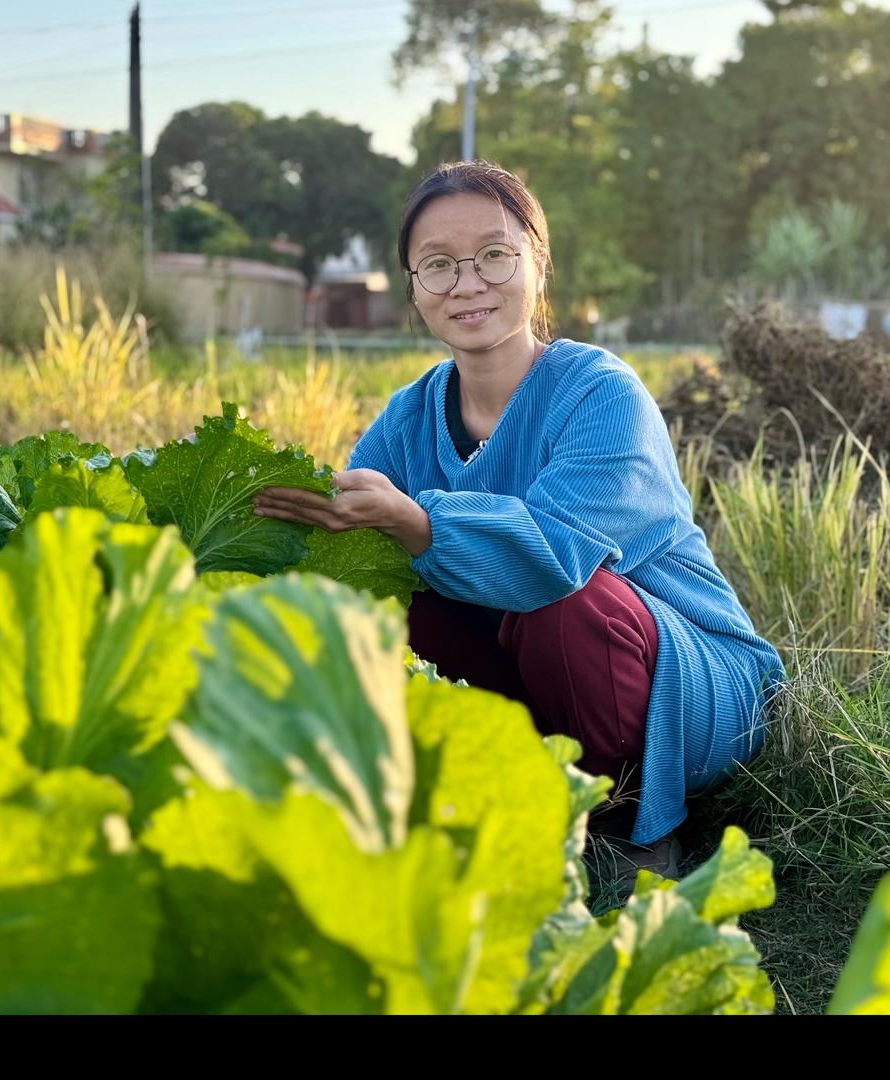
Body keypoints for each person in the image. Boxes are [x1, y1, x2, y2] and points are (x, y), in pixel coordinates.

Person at [251, 160, 785, 884]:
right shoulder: (407, 418)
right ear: (413, 287)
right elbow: (352, 564)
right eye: (437, 265)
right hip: (537, 674)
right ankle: (482, 793)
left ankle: (625, 823)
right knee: (381, 602)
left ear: (538, 261)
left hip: (684, 684)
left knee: (563, 605)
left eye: (494, 255)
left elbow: (553, 555)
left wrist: (417, 522)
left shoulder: (601, 394)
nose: (467, 282)